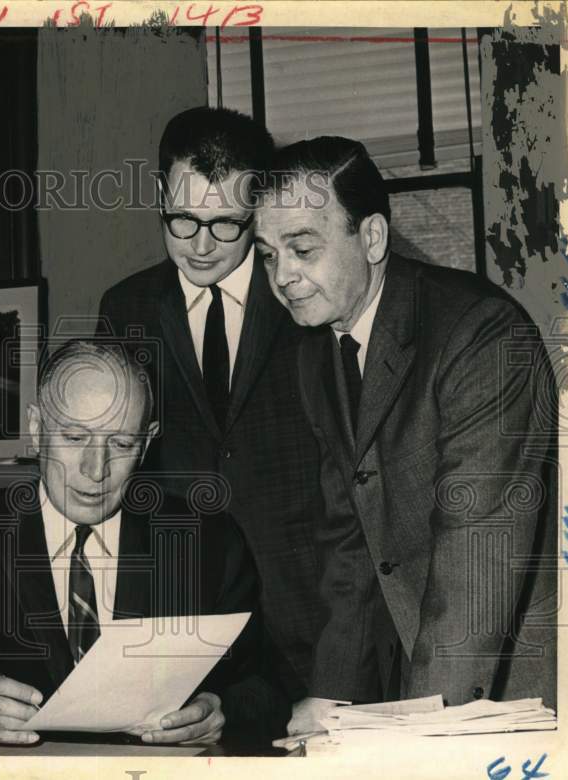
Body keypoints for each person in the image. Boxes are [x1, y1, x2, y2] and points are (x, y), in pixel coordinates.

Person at [0, 340, 298, 750]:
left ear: (147, 443)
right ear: (36, 427)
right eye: (74, 437)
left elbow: (268, 689)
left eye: (121, 443)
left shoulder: (205, 540)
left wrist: (220, 712)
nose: (95, 469)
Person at [250, 136, 557, 734]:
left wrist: (421, 739)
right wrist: (332, 705)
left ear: (371, 238)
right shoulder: (317, 353)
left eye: (302, 248)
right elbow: (352, 548)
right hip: (429, 681)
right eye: (266, 254)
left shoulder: (482, 337)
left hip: (514, 685)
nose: (282, 276)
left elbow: (476, 567)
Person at [97, 107, 323, 689]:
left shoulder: (309, 300)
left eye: (226, 223)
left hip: (310, 609)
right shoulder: (125, 310)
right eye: (182, 220)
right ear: (159, 197)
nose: (201, 246)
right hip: (179, 616)